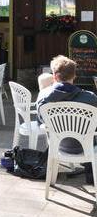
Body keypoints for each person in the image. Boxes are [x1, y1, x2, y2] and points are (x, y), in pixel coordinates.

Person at [37, 55, 97, 183]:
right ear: (74, 76)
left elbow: (41, 122)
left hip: (57, 145)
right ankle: (91, 172)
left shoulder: (43, 99)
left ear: (54, 76)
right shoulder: (91, 98)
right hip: (85, 147)